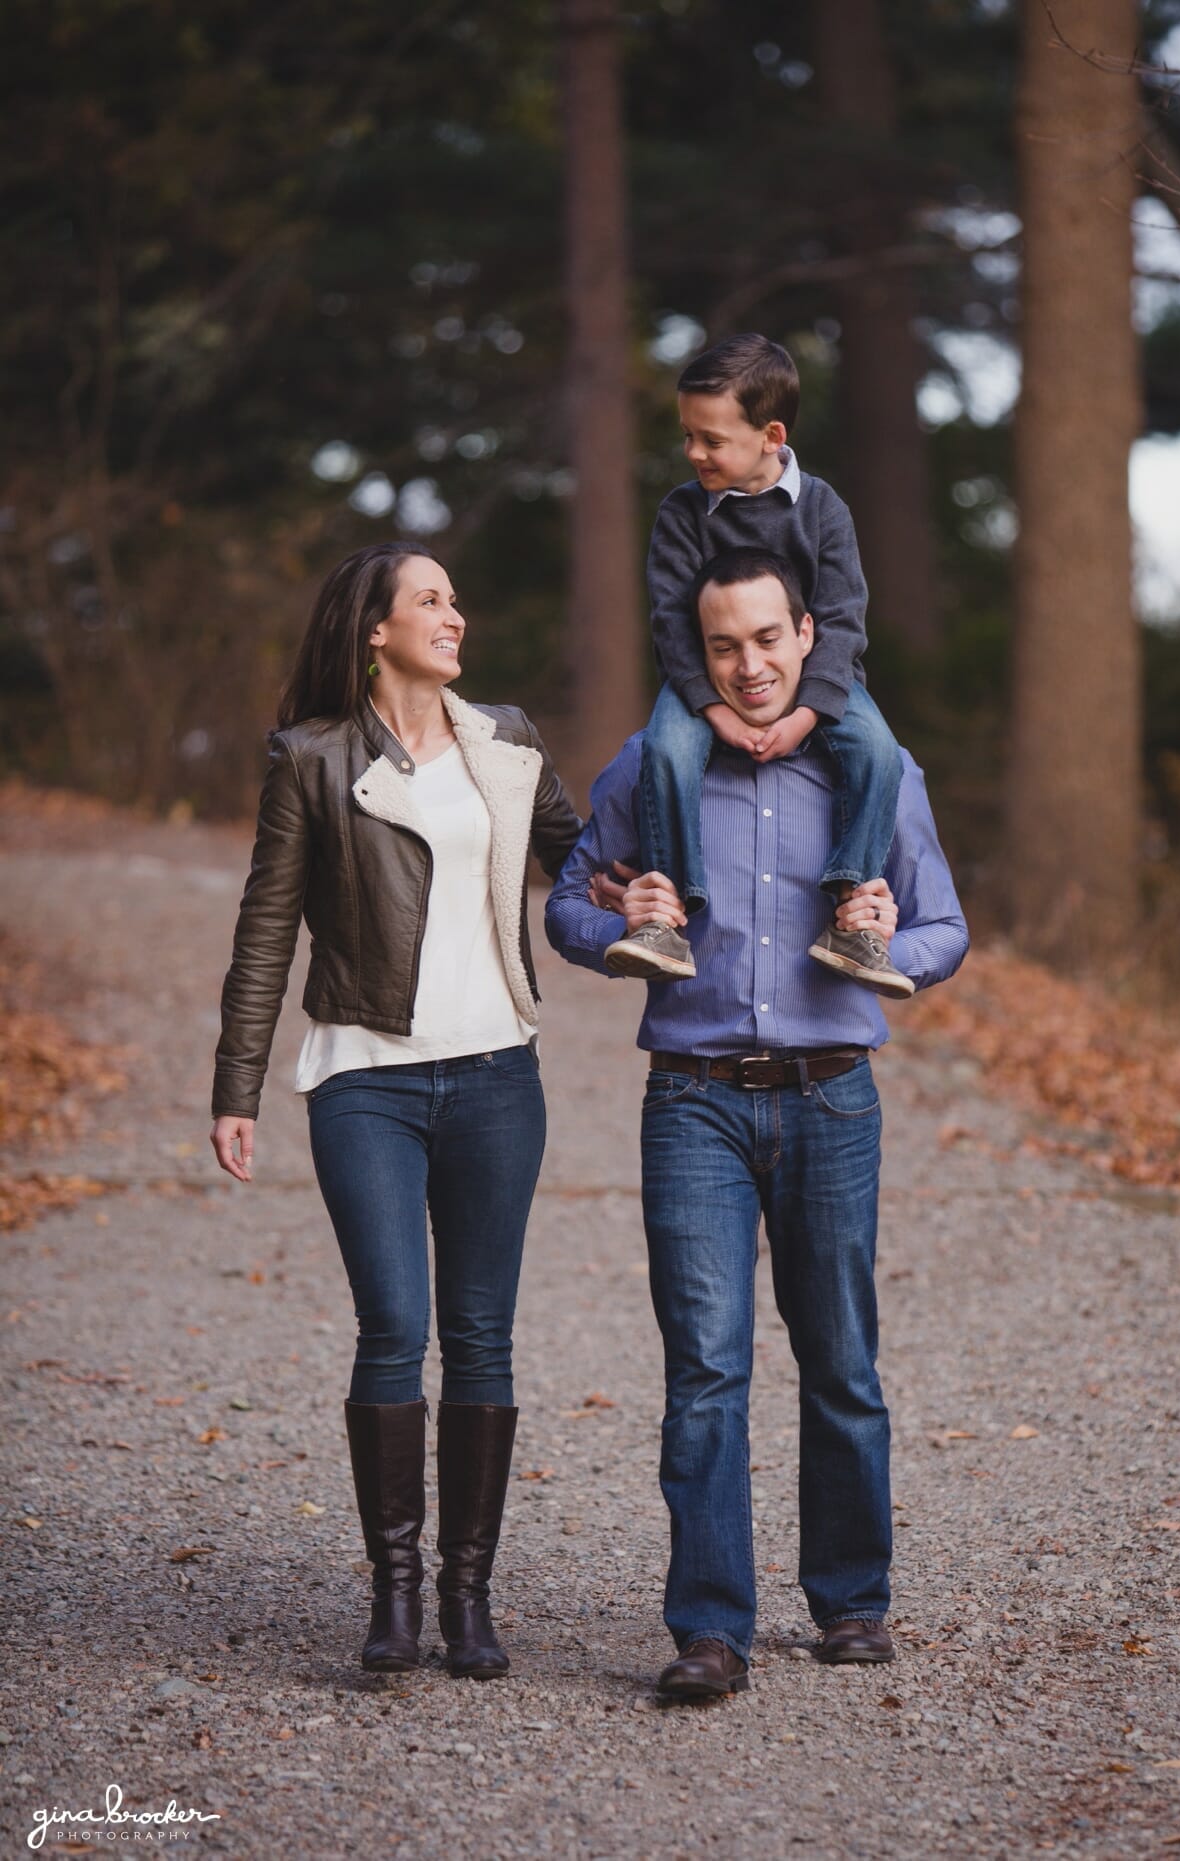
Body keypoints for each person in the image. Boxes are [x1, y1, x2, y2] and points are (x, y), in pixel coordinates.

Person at [546, 548, 968, 1701]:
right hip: (693, 1101)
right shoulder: (650, 768)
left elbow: (944, 927)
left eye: (767, 640)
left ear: (806, 637)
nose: (748, 666)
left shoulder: (871, 771)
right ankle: (710, 1628)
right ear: (701, 649)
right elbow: (566, 902)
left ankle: (851, 1602)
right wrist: (617, 913)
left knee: (840, 1362)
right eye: (723, 644)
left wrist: (889, 940)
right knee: (705, 1370)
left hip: (834, 1095)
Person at [210, 542, 580, 1681]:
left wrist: (656, 885)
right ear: (375, 628)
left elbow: (588, 863)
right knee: (391, 1328)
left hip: (495, 1082)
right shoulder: (313, 760)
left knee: (480, 1335)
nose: (453, 614)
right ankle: (396, 1597)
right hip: (365, 1080)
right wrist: (237, 1084)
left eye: (456, 599)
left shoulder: (504, 741)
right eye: (430, 599)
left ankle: (469, 1602)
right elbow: (267, 927)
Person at [606, 332, 912, 1001]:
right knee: (664, 751)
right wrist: (713, 711)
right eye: (688, 435)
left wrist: (806, 717)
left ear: (770, 434)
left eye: (711, 439)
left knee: (878, 751)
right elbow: (671, 623)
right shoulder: (682, 512)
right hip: (704, 682)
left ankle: (850, 908)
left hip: (817, 682)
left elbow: (840, 618)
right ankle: (668, 917)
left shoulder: (823, 509)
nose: (694, 453)